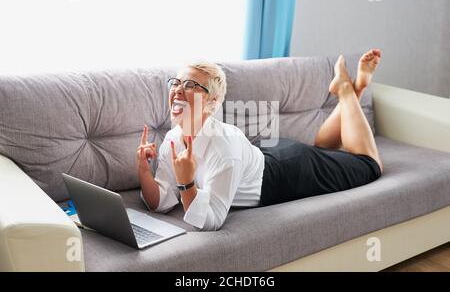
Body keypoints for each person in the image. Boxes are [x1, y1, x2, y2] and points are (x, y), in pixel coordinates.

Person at [137, 50, 383, 231]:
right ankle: (350, 92)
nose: (178, 89)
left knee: (370, 165)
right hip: (270, 154)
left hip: (291, 171)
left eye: (191, 85)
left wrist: (187, 182)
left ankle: (349, 89)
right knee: (323, 149)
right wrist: (144, 170)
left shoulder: (223, 147)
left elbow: (211, 221)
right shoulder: (172, 138)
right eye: (177, 82)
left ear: (211, 104)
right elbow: (161, 201)